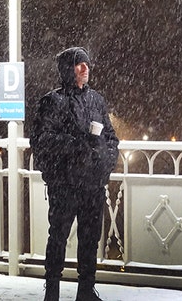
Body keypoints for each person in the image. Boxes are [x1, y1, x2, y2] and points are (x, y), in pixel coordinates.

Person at [30, 47, 119, 301]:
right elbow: (42, 139)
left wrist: (106, 160)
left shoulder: (96, 101)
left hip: (92, 182)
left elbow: (111, 138)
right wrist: (78, 144)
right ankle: (53, 291)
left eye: (86, 64)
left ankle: (86, 291)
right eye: (79, 64)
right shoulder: (53, 101)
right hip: (65, 183)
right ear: (67, 69)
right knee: (58, 235)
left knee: (90, 239)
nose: (85, 68)